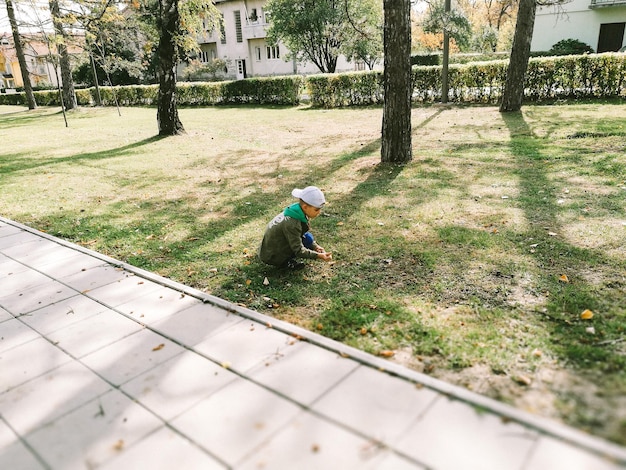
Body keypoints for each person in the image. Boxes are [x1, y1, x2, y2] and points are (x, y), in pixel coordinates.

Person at [258, 186, 333, 270]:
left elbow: (303, 233)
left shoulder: (296, 211)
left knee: (308, 238)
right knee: (302, 243)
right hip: (271, 255)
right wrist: (318, 256)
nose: (319, 212)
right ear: (305, 207)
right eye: (316, 210)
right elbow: (298, 250)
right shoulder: (292, 224)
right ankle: (285, 262)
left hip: (270, 246)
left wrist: (315, 246)